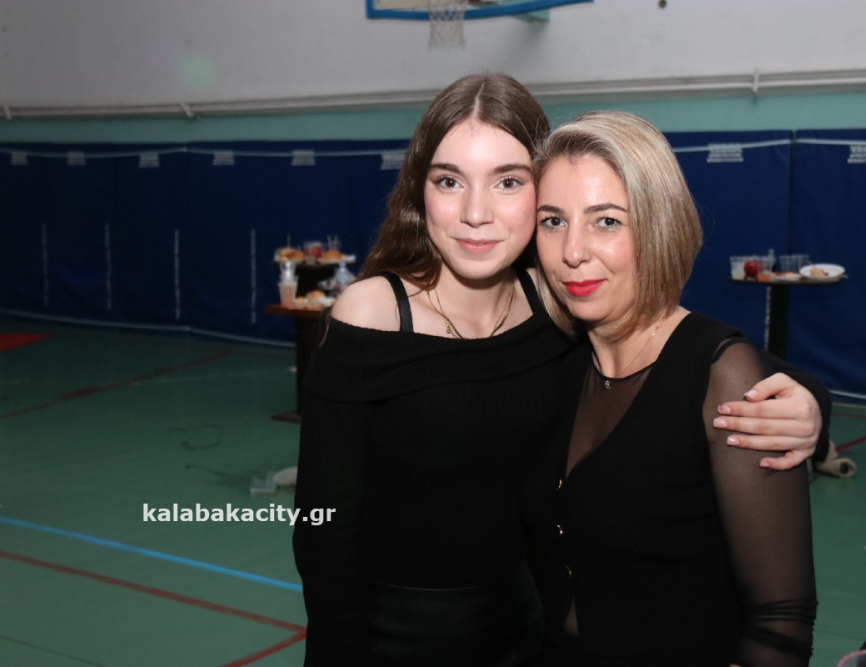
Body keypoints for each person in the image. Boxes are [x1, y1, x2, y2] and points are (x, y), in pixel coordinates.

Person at [292, 75, 825, 667]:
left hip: (525, 635)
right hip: (397, 640)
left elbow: (695, 359)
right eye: (449, 181)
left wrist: (811, 403)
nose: (475, 213)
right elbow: (322, 527)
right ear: (420, 190)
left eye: (507, 181)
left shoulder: (553, 306)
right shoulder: (375, 312)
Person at [522, 110, 817, 666]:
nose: (572, 251)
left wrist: (812, 408)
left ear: (658, 226)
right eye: (553, 221)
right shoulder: (559, 360)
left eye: (607, 221)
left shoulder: (722, 377)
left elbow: (781, 620)